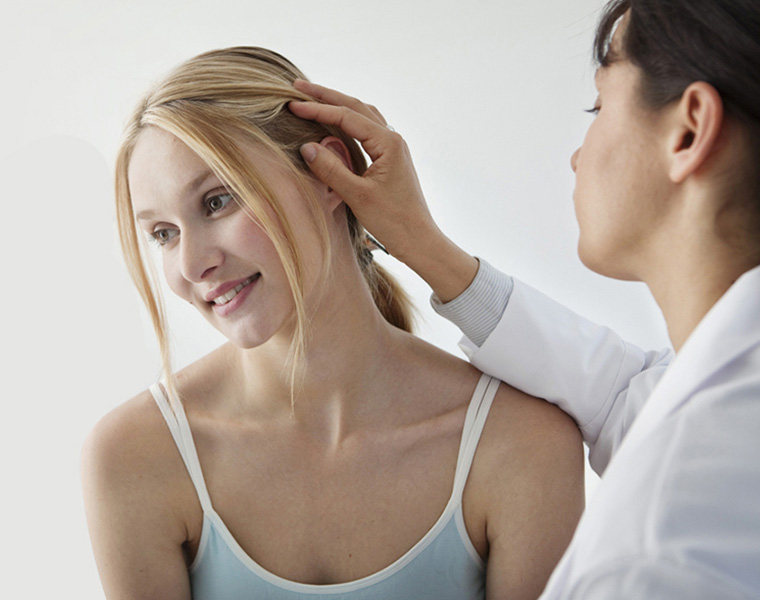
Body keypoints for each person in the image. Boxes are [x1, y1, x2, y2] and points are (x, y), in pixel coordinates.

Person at [287, 1, 760, 597]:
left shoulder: (658, 557)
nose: (577, 154)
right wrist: (425, 246)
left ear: (688, 130)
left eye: (599, 105)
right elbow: (624, 393)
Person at [81, 46, 585, 599]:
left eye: (218, 201)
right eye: (163, 234)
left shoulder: (520, 446)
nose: (190, 264)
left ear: (330, 173)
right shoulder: (137, 457)